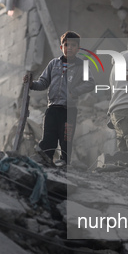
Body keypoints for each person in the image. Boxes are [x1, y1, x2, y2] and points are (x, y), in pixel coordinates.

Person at [23, 31, 95, 165]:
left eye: (73, 45)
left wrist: (74, 91)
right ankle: (45, 160)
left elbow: (90, 83)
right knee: (49, 136)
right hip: (52, 108)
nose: (70, 48)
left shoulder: (82, 65)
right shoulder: (53, 64)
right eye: (66, 45)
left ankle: (64, 163)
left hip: (69, 109)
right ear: (61, 47)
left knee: (66, 138)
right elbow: (43, 82)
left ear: (78, 48)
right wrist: (32, 84)